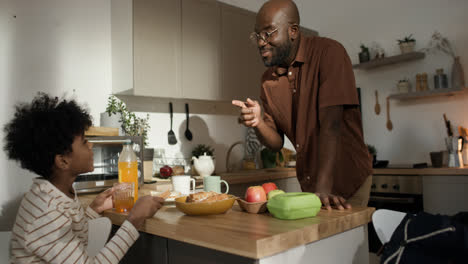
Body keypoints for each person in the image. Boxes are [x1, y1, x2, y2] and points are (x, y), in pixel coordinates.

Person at [232, 0, 372, 210]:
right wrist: (258, 122)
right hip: (311, 187)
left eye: (269, 33)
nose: (261, 42)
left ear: (293, 31)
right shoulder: (267, 80)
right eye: (258, 35)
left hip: (347, 179)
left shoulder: (329, 53)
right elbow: (276, 143)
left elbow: (331, 125)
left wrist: (323, 188)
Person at [4, 93, 165, 263]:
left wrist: (94, 210)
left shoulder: (56, 192)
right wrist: (134, 220)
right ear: (63, 161)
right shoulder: (47, 211)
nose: (91, 145)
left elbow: (72, 240)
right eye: (84, 142)